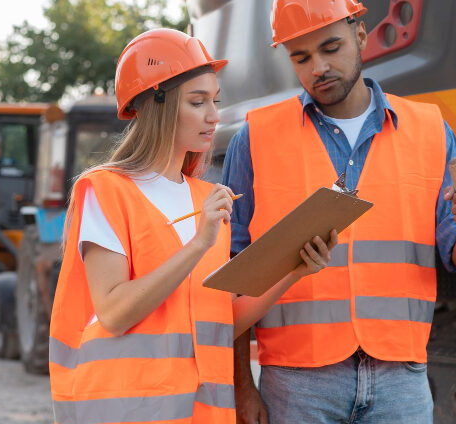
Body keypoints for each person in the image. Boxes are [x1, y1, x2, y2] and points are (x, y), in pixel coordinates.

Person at [223, 0, 456, 424]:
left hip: (401, 375)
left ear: (361, 33)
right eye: (301, 57)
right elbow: (232, 273)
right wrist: (241, 387)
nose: (318, 68)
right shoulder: (254, 139)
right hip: (297, 382)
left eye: (330, 48)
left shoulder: (430, 130)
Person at [48, 28, 337, 424]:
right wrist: (199, 244)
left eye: (215, 101)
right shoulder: (105, 190)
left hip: (204, 412)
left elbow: (219, 320)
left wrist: (293, 270)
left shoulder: (207, 198)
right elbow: (114, 311)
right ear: (158, 106)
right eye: (198, 102)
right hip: (128, 411)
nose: (214, 115)